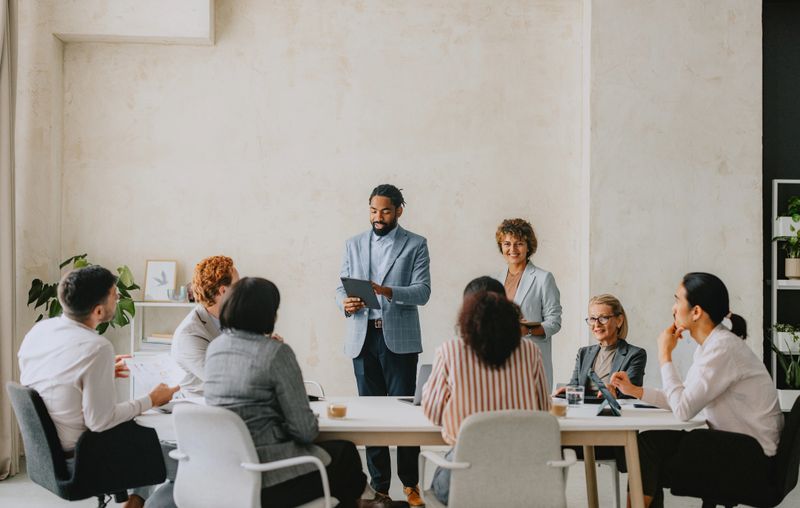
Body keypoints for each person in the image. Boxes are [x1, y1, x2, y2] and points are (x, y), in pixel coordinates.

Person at [610, 273, 784, 508]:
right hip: (738, 449)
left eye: (677, 300)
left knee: (648, 452)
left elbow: (683, 410)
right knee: (649, 446)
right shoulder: (713, 346)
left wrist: (664, 354)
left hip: (750, 460)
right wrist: (636, 391)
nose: (673, 308)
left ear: (696, 312)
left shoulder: (722, 349)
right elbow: (685, 399)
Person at [204, 277, 372, 508]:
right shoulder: (275, 353)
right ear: (268, 314)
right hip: (267, 478)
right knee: (346, 454)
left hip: (224, 474)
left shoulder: (215, 349)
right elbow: (305, 431)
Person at [18, 266, 178, 508]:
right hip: (86, 459)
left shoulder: (39, 331)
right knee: (188, 464)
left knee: (156, 445)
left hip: (48, 455)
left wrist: (97, 374)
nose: (119, 298)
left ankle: (134, 504)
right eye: (115, 294)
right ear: (99, 310)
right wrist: (151, 399)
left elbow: (47, 379)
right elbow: (100, 421)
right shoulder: (96, 347)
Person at [335, 184, 431, 506]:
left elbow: (423, 292)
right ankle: (379, 487)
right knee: (371, 414)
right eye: (374, 211)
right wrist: (345, 303)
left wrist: (387, 291)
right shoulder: (353, 243)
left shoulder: (416, 244)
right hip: (362, 338)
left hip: (399, 340)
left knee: (405, 414)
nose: (378, 217)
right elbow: (340, 287)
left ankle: (410, 484)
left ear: (399, 210)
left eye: (385, 211)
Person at [422, 290, 551, 506]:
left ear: (466, 322)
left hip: (464, 479)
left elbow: (433, 414)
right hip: (523, 479)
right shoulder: (530, 351)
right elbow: (543, 410)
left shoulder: (450, 351)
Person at [171, 255, 239, 397]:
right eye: (238, 285)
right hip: (200, 408)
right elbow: (222, 382)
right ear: (223, 291)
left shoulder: (235, 318)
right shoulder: (189, 334)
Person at [555, 294, 646, 398]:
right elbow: (575, 385)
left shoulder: (635, 354)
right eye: (593, 318)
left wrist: (613, 393)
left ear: (619, 321)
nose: (596, 324)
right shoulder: (583, 353)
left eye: (603, 318)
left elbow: (631, 394)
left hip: (614, 412)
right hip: (583, 411)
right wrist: (569, 389)